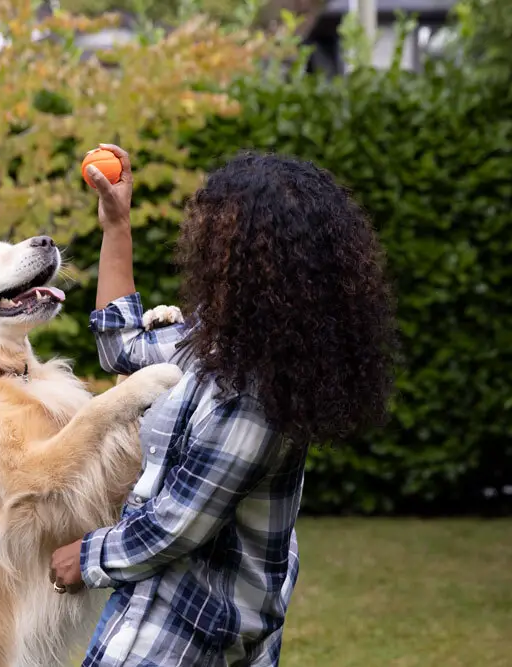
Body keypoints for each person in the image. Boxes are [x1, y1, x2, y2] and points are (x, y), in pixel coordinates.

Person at [49, 144, 399, 666]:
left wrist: (88, 556)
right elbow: (122, 348)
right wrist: (116, 226)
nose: (206, 248)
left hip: (188, 629)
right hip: (175, 610)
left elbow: (177, 524)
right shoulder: (219, 344)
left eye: (220, 236)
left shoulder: (256, 397)